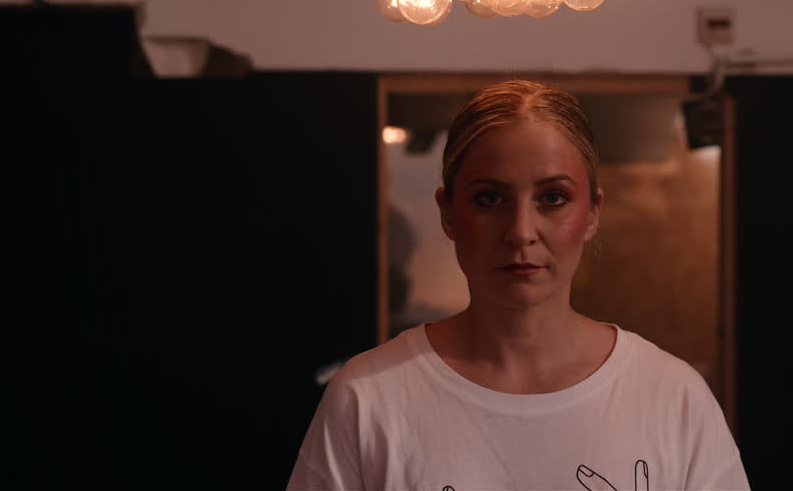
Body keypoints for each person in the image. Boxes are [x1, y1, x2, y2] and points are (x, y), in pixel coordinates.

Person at [288, 80, 749, 490]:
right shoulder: (369, 398)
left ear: (593, 212)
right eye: (491, 198)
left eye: (552, 198)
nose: (521, 231)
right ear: (448, 212)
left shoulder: (672, 397)